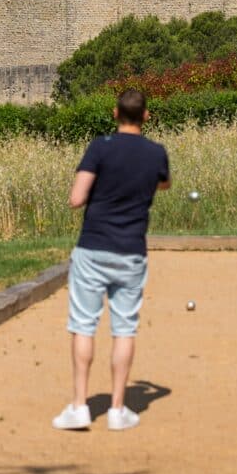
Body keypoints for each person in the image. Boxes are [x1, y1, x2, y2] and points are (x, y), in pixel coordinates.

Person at [52, 89, 171, 431]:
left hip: (94, 246)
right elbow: (164, 184)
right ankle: (118, 410)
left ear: (115, 112)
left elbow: (77, 199)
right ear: (146, 116)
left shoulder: (100, 147)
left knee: (83, 325)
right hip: (131, 250)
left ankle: (80, 406)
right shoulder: (155, 153)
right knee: (124, 329)